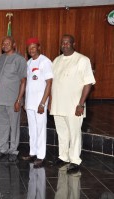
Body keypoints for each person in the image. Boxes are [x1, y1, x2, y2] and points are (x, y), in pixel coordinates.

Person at [50, 34, 96, 173]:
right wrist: (51, 102)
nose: (64, 45)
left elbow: (88, 83)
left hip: (74, 106)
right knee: (61, 132)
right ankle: (63, 156)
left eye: (67, 42)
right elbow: (53, 83)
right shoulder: (56, 60)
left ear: (73, 44)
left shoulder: (82, 60)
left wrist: (81, 104)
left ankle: (75, 160)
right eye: (62, 43)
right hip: (58, 105)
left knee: (74, 133)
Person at [0, 36, 27, 162]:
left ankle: (13, 150)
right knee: (2, 126)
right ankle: (3, 149)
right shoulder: (0, 59)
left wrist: (19, 100)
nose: (5, 45)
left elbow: (23, 81)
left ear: (14, 44)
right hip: (0, 100)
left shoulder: (20, 60)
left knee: (14, 126)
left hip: (13, 101)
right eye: (3, 43)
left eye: (8, 43)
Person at [23, 38, 53, 168]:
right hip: (29, 103)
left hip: (40, 103)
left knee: (40, 129)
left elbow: (49, 83)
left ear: (39, 47)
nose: (31, 49)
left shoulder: (45, 61)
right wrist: (25, 101)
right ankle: (33, 152)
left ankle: (41, 156)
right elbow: (28, 84)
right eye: (29, 47)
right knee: (32, 130)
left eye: (33, 47)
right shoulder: (28, 62)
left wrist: (43, 103)